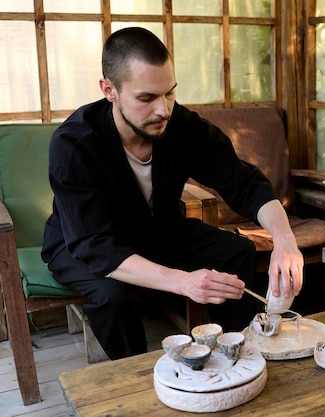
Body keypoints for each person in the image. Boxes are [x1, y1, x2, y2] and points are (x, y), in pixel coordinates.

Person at [41, 27, 304, 360]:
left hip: (159, 231)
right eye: (147, 98)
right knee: (113, 295)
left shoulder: (180, 125)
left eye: (169, 93)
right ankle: (135, 378)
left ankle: (239, 354)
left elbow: (243, 182)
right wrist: (183, 282)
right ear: (109, 90)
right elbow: (95, 246)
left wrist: (284, 239)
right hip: (81, 243)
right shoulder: (74, 144)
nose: (163, 110)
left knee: (236, 250)